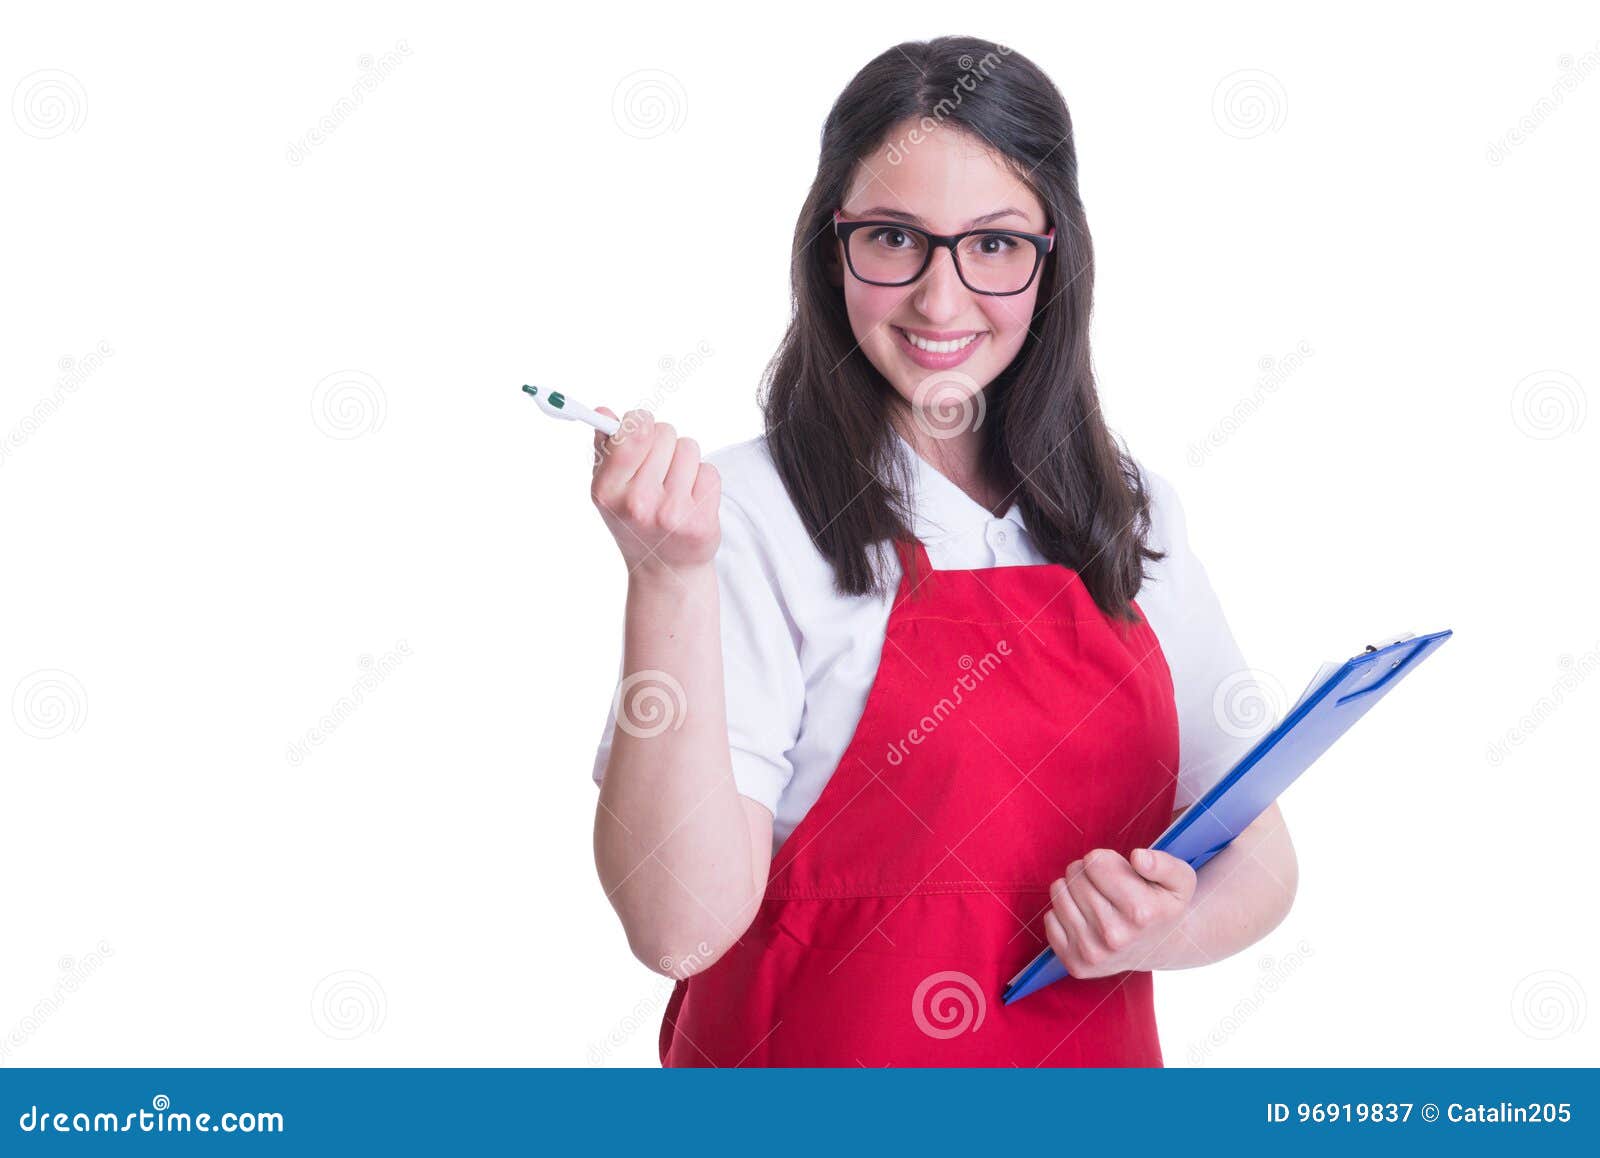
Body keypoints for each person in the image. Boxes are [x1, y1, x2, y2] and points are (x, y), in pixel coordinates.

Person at [586, 35, 1298, 1067]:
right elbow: (678, 928)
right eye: (893, 239)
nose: (940, 299)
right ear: (830, 250)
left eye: (994, 245)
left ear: (1055, 259)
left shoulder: (1125, 509)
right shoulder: (735, 514)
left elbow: (1256, 852)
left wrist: (1159, 928)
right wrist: (665, 580)